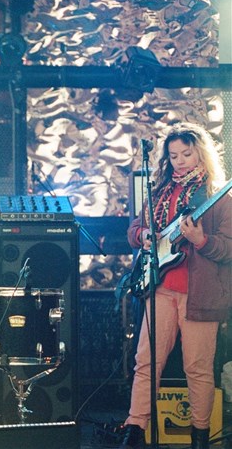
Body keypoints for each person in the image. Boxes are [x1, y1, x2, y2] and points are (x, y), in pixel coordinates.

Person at [120, 123, 231, 449]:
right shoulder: (160, 192)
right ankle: (134, 429)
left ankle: (200, 436)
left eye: (186, 154)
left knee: (197, 367)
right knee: (146, 361)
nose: (180, 161)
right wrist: (143, 235)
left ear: (201, 154)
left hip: (200, 296)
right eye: (173, 155)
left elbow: (228, 249)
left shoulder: (219, 198)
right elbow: (135, 228)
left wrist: (201, 240)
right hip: (160, 289)